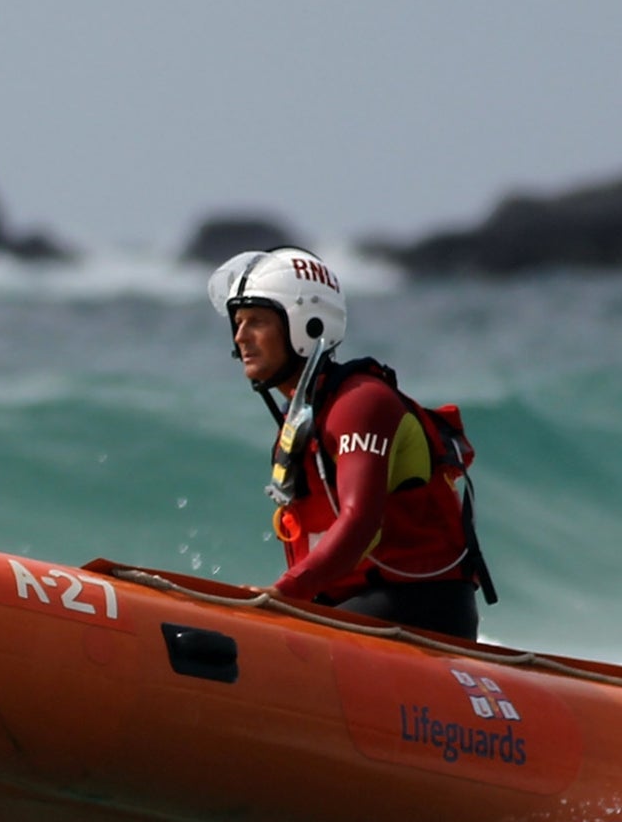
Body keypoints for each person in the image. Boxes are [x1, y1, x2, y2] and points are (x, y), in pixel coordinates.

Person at [208, 247, 494, 638]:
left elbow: (361, 523)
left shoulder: (362, 403)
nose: (240, 337)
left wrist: (282, 593)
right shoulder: (304, 415)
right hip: (352, 606)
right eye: (237, 323)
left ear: (306, 324)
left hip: (420, 606)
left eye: (256, 321)